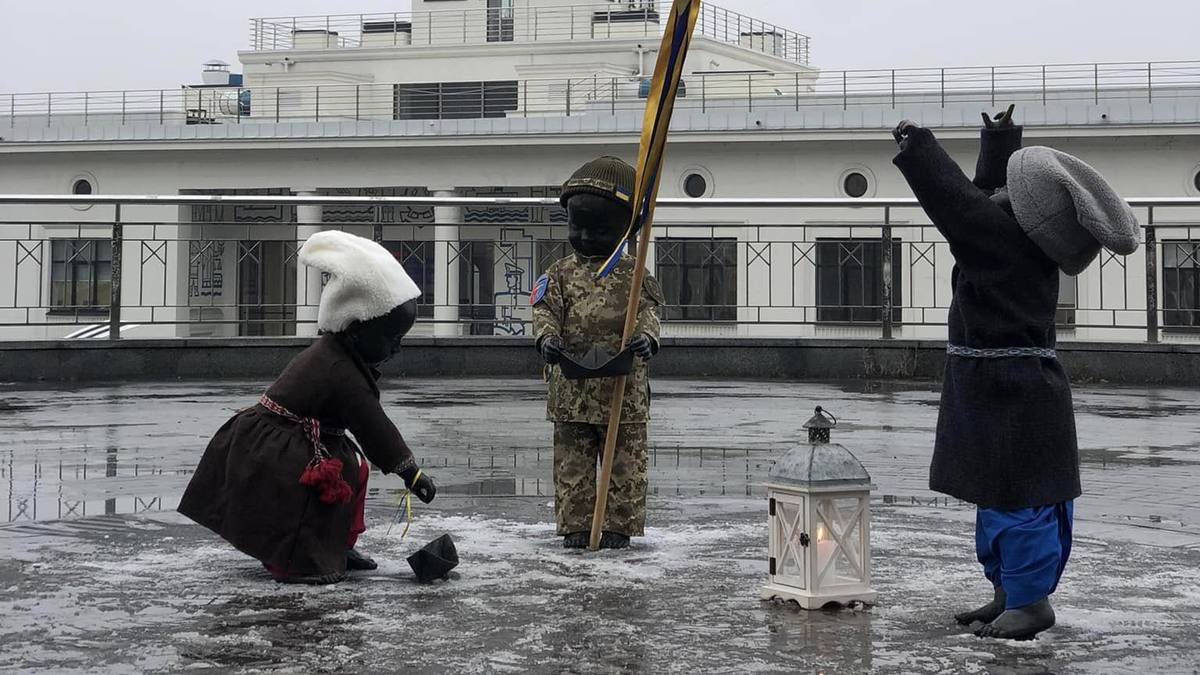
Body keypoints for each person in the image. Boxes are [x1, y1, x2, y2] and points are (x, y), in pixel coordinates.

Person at [891, 106, 1139, 639]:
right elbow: (987, 202)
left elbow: (959, 207)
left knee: (1012, 500)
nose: (1004, 193)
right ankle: (1010, 593)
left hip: (1004, 392)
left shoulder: (1000, 243)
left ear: (1026, 209)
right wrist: (999, 139)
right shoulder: (1028, 240)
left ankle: (1029, 603)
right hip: (1022, 387)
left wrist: (920, 147)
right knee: (1009, 496)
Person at [178, 230, 438, 584]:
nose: (397, 350)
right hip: (275, 450)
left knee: (353, 468)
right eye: (391, 339)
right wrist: (412, 473)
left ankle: (338, 545)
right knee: (313, 488)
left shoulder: (341, 353)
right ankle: (299, 558)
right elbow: (373, 427)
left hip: (296, 437)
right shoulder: (339, 369)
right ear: (358, 328)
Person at [532, 156, 664, 550]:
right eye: (579, 228)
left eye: (600, 229)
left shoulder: (635, 274)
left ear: (624, 229)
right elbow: (544, 311)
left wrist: (646, 338)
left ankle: (618, 527)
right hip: (572, 389)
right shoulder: (558, 273)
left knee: (626, 465)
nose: (587, 238)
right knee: (573, 464)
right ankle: (576, 525)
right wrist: (547, 339)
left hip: (622, 390)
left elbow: (650, 313)